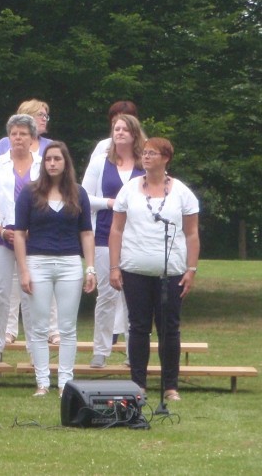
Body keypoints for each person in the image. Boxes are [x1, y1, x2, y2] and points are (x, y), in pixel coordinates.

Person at [109, 138, 201, 402]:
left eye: (152, 153)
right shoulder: (129, 190)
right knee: (138, 327)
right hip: (135, 270)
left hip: (170, 272)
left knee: (169, 328)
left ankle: (170, 385)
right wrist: (115, 266)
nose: (146, 157)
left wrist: (191, 269)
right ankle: (138, 383)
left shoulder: (182, 192)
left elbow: (192, 233)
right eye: (144, 153)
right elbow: (116, 229)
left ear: (166, 158)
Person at [14, 142, 97, 396]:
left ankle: (65, 383)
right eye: (48, 159)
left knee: (67, 326)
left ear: (65, 162)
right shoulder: (30, 193)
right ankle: (42, 382)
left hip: (70, 263)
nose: (52, 163)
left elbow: (86, 232)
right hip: (37, 261)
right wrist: (24, 270)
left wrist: (90, 268)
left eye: (57, 159)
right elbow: (19, 234)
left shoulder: (78, 193)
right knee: (38, 326)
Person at [81, 110, 145, 367]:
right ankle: (101, 350)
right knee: (106, 294)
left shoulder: (143, 163)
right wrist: (111, 202)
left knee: (134, 297)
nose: (118, 133)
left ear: (134, 135)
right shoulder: (100, 162)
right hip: (105, 235)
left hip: (137, 237)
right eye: (116, 129)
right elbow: (83, 196)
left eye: (124, 130)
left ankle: (134, 352)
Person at [0, 114, 42, 366]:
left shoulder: (42, 164)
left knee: (32, 293)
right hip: (2, 235)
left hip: (34, 237)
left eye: (23, 134)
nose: (18, 138)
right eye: (14, 134)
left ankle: (34, 350)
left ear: (32, 138)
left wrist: (34, 229)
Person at [0, 98, 53, 170]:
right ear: (27, 116)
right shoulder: (5, 143)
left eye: (46, 116)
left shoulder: (50, 144)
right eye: (40, 114)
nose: (44, 119)